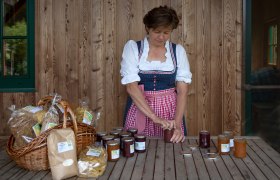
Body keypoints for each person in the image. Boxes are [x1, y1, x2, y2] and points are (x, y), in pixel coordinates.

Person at [120, 6, 192, 143]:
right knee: (137, 148)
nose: (161, 37)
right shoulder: (133, 48)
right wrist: (155, 118)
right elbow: (131, 87)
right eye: (157, 31)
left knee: (172, 148)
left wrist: (176, 124)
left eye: (166, 32)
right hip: (140, 109)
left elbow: (183, 90)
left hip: (170, 110)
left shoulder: (178, 51)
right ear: (148, 28)